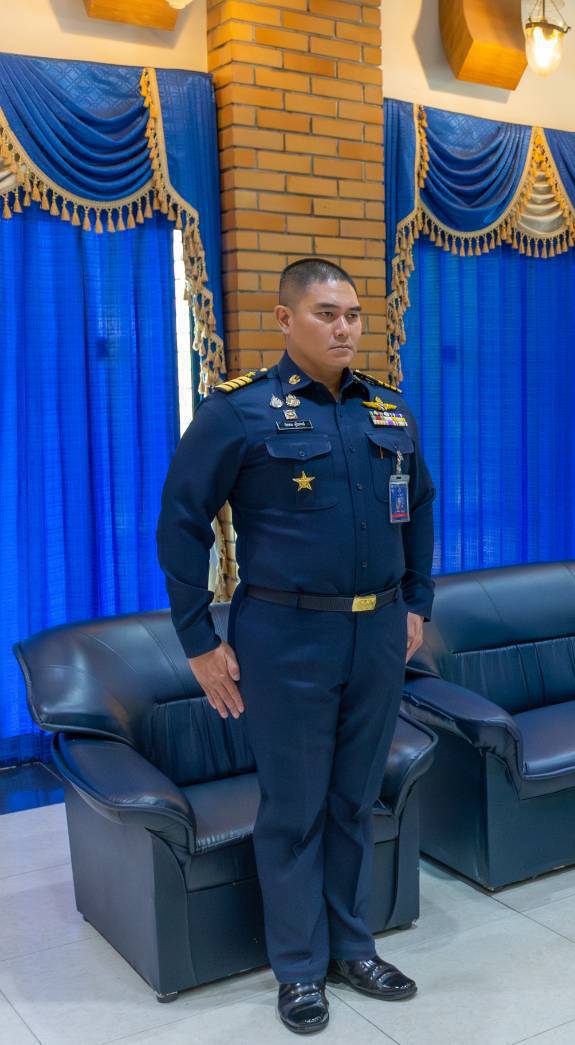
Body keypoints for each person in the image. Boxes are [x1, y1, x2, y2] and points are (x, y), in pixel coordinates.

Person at [156, 259, 432, 1034]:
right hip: (286, 636)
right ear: (284, 319)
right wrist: (197, 639)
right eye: (325, 313)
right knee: (295, 808)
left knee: (354, 798)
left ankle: (354, 947)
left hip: (376, 632)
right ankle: (301, 968)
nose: (344, 327)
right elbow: (181, 520)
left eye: (352, 314)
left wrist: (417, 601)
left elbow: (419, 508)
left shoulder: (389, 409)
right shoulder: (239, 411)